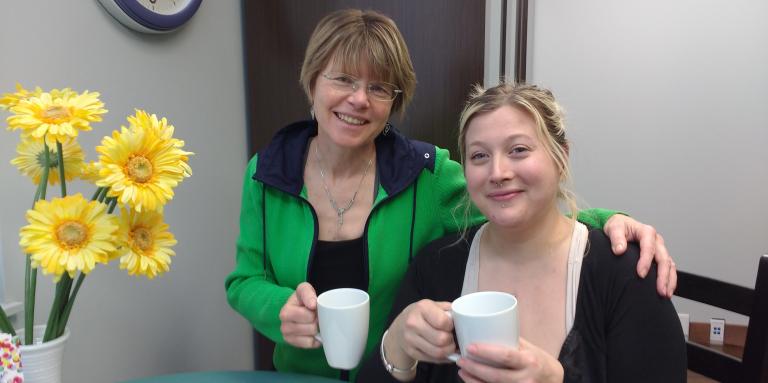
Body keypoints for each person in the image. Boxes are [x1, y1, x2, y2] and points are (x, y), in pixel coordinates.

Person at [225, 9, 677, 381]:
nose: (359, 99)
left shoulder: (427, 175)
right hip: (299, 374)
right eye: (342, 79)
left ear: (393, 104)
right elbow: (244, 279)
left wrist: (609, 222)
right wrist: (278, 308)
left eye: (379, 87)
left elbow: (512, 205)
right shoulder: (267, 174)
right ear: (312, 83)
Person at [360, 83, 686, 383]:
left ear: (562, 157)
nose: (498, 173)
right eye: (479, 156)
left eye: (518, 150)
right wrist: (397, 343)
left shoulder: (626, 273)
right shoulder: (436, 266)